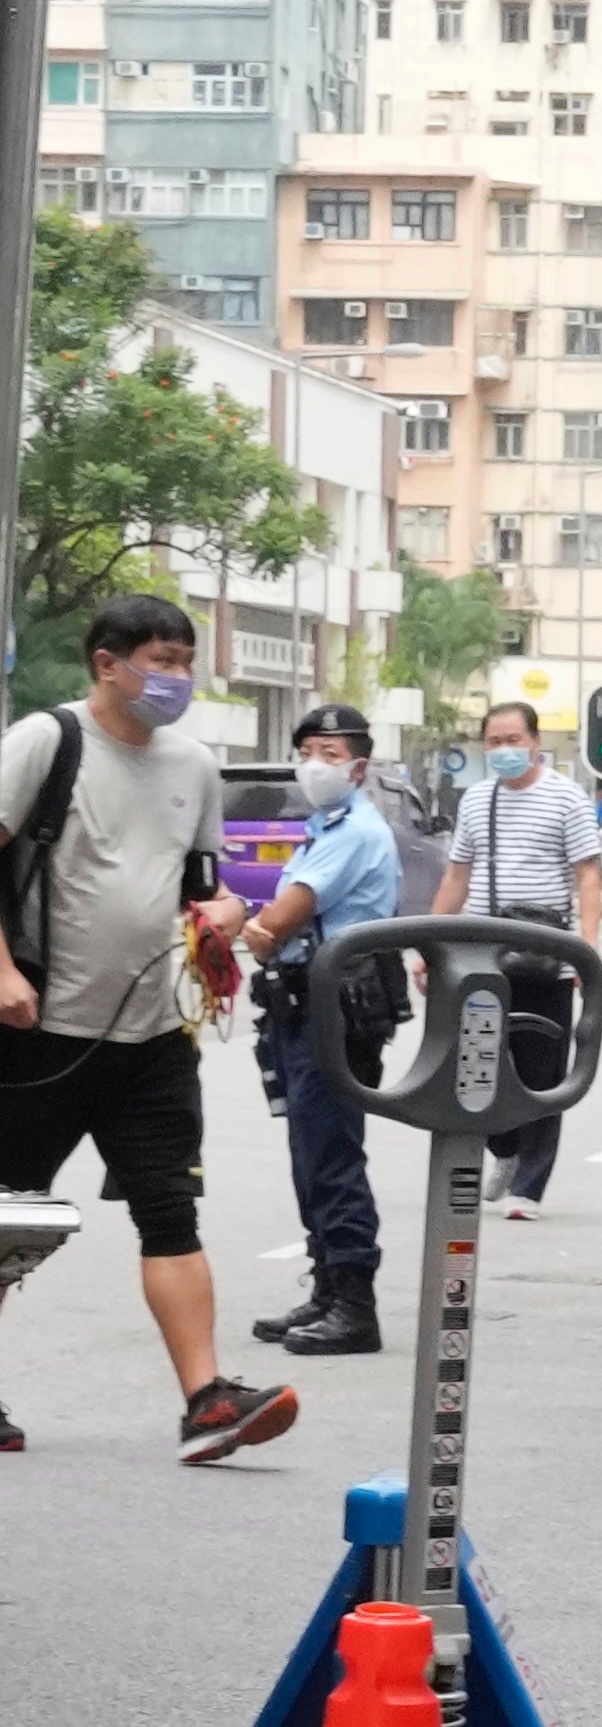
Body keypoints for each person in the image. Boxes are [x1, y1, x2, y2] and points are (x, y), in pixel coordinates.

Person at [0, 593, 285, 1463]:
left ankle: (207, 1402)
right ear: (107, 664)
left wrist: (230, 915)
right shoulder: (47, 742)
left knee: (170, 1211)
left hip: (155, 1033)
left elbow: (200, 887)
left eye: (183, 662)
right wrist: (2, 970)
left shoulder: (194, 765)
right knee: (4, 1218)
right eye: (159, 660)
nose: (174, 678)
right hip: (39, 1031)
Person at [234, 700, 410, 1361]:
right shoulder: (323, 825)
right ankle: (328, 1287)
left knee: (331, 1152)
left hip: (338, 1006)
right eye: (306, 751)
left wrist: (258, 929)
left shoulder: (355, 832)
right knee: (310, 1150)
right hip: (304, 1002)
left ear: (359, 766)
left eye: (330, 755)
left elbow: (275, 922)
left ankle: (355, 1306)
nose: (315, 764)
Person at [433, 698, 602, 1217]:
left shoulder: (566, 800)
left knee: (542, 1067)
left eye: (513, 740)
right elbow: (456, 875)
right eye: (494, 742)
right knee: (477, 1059)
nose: (504, 751)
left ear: (535, 742)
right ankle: (503, 1148)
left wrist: (585, 950)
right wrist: (431, 943)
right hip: (482, 950)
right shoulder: (477, 800)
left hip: (545, 951)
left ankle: (529, 1184)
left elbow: (588, 876)